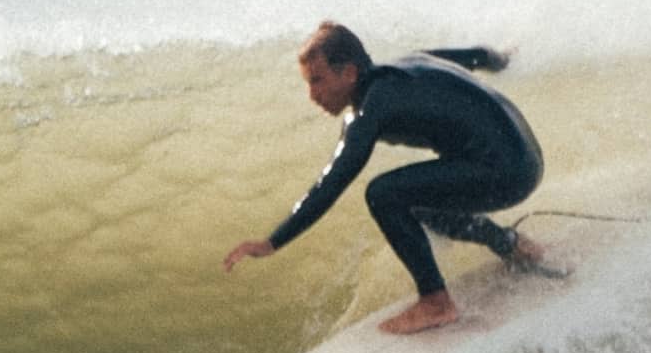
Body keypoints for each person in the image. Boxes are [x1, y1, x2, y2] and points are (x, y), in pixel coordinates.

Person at [222, 21, 550, 335]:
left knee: (383, 193)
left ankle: (435, 301)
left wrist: (272, 242)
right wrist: (504, 59)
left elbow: (333, 181)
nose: (312, 95)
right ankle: (512, 245)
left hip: (507, 172)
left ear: (349, 73)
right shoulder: (411, 63)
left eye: (318, 81)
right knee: (414, 203)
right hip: (527, 156)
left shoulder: (370, 110)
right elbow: (476, 55)